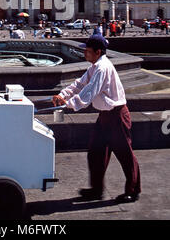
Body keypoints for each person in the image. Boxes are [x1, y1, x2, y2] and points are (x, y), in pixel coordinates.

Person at [52, 35, 141, 203]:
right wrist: (62, 95)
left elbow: (90, 91)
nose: (84, 53)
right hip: (105, 116)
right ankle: (96, 190)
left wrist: (68, 104)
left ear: (98, 52)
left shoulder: (102, 67)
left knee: (125, 155)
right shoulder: (95, 66)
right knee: (95, 153)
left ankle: (133, 190)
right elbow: (79, 84)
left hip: (117, 116)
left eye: (87, 51)